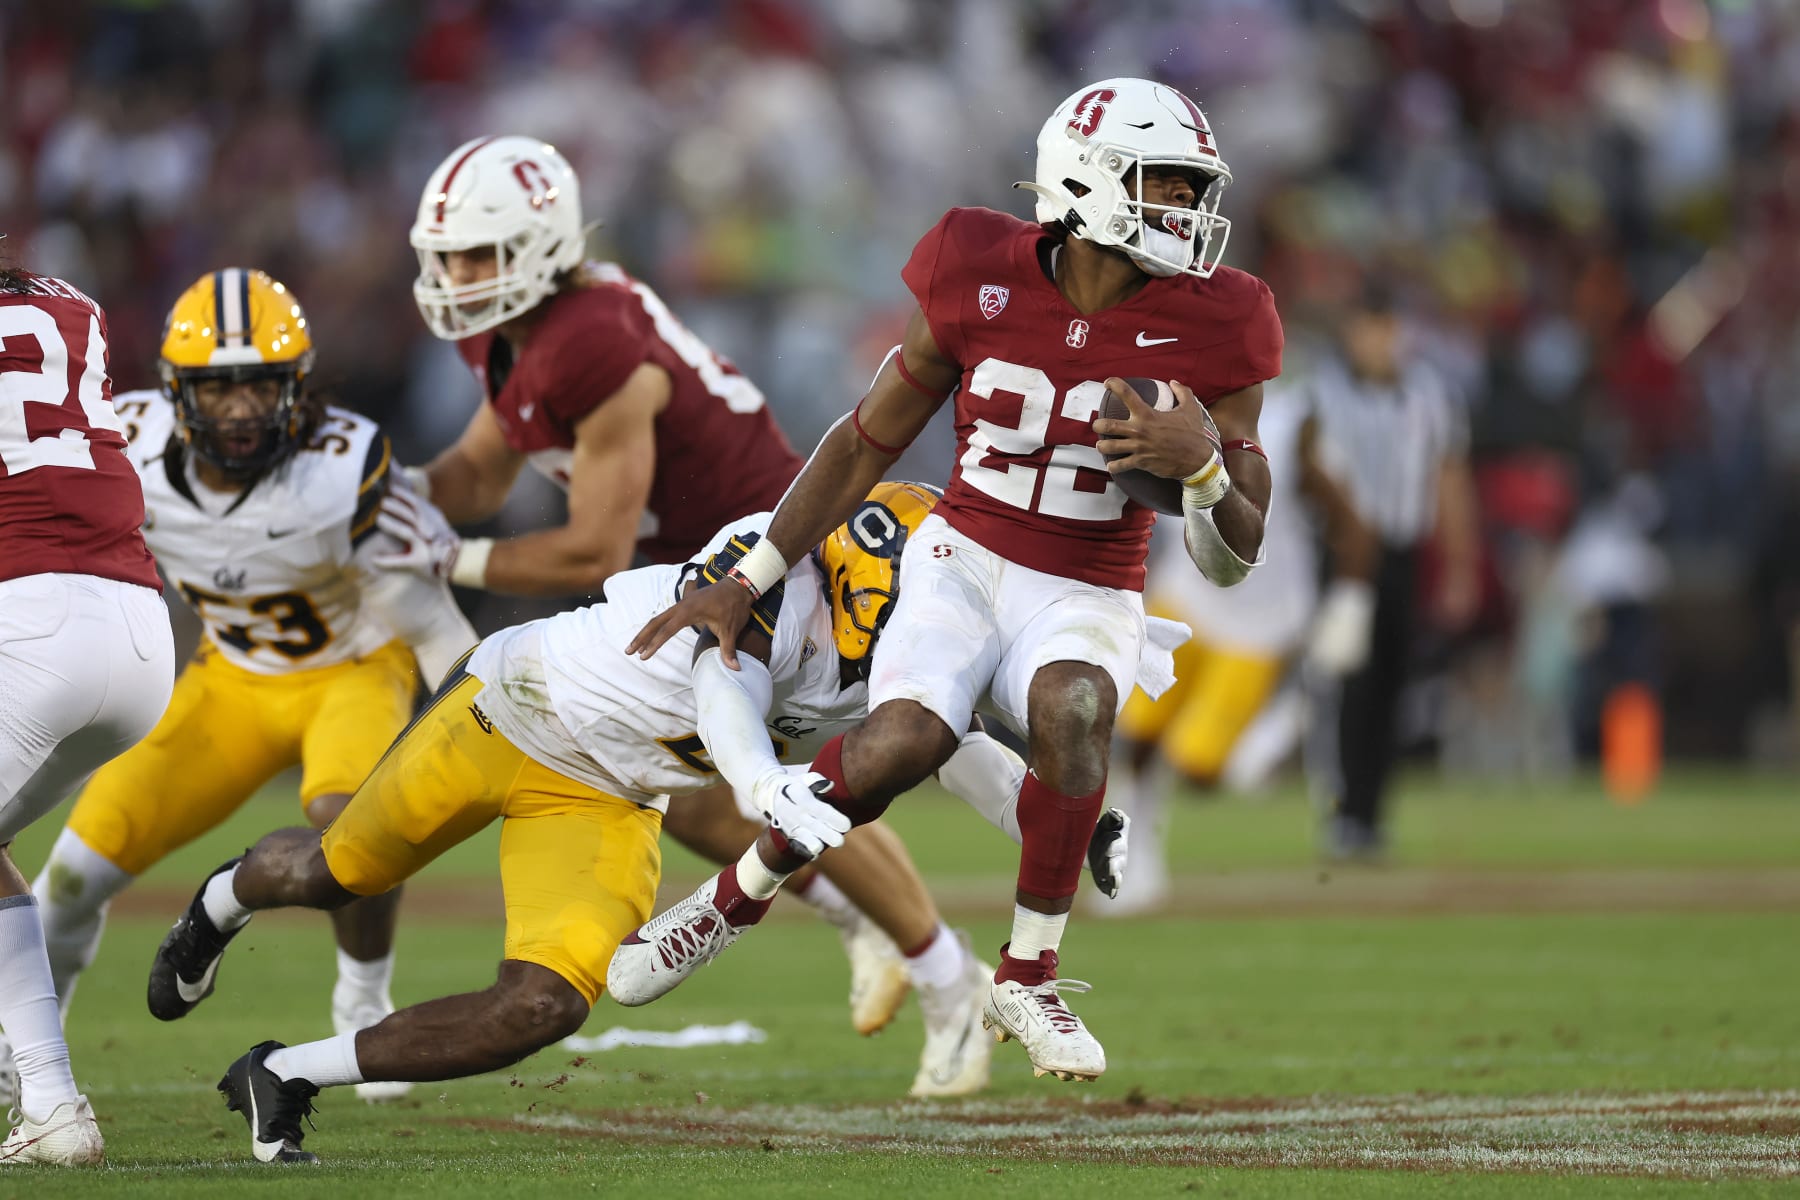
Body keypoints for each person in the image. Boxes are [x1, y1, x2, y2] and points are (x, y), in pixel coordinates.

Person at [614, 77, 1283, 1083]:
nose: (1187, 213)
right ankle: (729, 902)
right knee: (897, 745)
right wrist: (753, 576)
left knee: (1076, 702)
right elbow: (863, 442)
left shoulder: (1222, 321)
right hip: (964, 556)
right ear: (1090, 185)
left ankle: (1029, 973)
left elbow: (1234, 558)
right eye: (1166, 187)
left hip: (1089, 583)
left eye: (1193, 190)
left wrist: (1202, 469)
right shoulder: (978, 265)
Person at [151, 485, 1122, 1164]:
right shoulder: (771, 567)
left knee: (546, 1006)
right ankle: (220, 901)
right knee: (337, 873)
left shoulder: (908, 634)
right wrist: (757, 782)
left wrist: (1077, 823)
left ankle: (280, 1074)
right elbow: (721, 683)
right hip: (517, 708)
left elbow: (959, 750)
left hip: (612, 791)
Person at [380, 135, 976, 1041]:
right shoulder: (518, 330)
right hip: (681, 573)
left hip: (760, 567)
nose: (457, 276)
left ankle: (945, 975)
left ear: (537, 249)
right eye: (449, 254)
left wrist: (440, 559)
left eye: (477, 255)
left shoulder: (587, 340)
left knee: (806, 781)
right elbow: (474, 477)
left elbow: (590, 550)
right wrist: (378, 502)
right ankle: (895, 943)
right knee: (704, 799)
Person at [23, 269, 476, 1106]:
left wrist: (487, 714)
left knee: (355, 832)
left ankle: (363, 993)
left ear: (296, 387)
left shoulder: (341, 471)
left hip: (352, 669)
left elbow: (432, 621)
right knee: (75, 875)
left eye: (261, 384)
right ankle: (30, 1059)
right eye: (219, 387)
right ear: (177, 392)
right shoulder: (124, 446)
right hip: (227, 681)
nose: (240, 408)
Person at [0, 258, 175, 1164]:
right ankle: (37, 1086)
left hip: (30, 623)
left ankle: (48, 1093)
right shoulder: (72, 306)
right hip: (140, 630)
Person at [1099, 383, 1377, 914]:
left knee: (1203, 767)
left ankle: (1285, 720)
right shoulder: (1180, 396)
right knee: (1137, 733)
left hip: (1260, 623)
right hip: (1187, 595)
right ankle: (1137, 851)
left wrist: (1352, 601)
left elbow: (1355, 527)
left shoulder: (1296, 428)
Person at [1303, 286, 1481, 859]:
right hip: (1345, 557)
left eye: (1386, 328)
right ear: (1351, 331)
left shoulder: (1429, 394)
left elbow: (1450, 478)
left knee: (1391, 687)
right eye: (1368, 328)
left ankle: (1372, 814)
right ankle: (1343, 811)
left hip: (1403, 553)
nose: (1378, 341)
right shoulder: (1323, 393)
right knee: (1347, 684)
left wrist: (1460, 564)